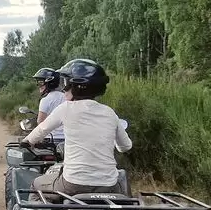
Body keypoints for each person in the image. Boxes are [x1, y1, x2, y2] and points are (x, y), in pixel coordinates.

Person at [23, 58, 132, 199]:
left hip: (73, 184)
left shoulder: (65, 108)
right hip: (108, 185)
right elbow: (126, 146)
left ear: (77, 86)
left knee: (36, 184)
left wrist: (27, 141)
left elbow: (40, 130)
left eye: (67, 83)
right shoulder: (109, 112)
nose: (64, 88)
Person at [31, 67, 66, 144]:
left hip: (50, 139)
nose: (38, 85)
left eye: (40, 82)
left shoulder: (46, 100)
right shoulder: (67, 97)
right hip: (66, 139)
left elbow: (40, 122)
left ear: (49, 83)